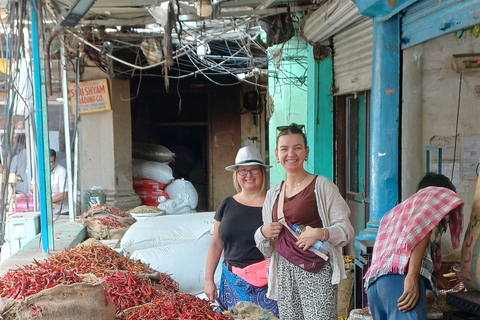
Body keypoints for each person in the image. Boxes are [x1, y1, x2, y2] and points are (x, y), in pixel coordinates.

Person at [254, 123, 354, 320]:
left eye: (297, 147)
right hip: (283, 272)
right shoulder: (272, 194)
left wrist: (320, 233)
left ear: (306, 152)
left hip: (316, 271)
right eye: (284, 148)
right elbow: (266, 248)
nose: (290, 153)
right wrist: (262, 232)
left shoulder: (322, 186)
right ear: (276, 154)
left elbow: (346, 230)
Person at [364, 172, 464, 320]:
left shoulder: (396, 212)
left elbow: (405, 247)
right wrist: (412, 277)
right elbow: (421, 229)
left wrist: (434, 279)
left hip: (375, 287)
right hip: (399, 283)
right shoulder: (435, 197)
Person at [204, 146, 278, 316]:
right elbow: (216, 244)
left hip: (267, 286)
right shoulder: (227, 204)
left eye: (254, 170)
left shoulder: (274, 204)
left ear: (262, 173)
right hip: (232, 282)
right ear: (236, 175)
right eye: (242, 171)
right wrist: (208, 280)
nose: (248, 175)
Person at [31, 149, 68, 215]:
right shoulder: (39, 171)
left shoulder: (61, 171)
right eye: (46, 161)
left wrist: (47, 201)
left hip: (61, 211)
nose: (48, 164)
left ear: (55, 161)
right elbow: (32, 187)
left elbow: (63, 195)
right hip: (45, 211)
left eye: (51, 162)